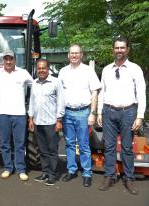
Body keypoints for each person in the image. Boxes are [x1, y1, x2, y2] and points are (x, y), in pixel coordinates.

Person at [97, 37, 146, 195]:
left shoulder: (135, 69)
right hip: (109, 111)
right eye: (117, 48)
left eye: (122, 48)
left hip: (128, 112)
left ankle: (129, 178)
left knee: (127, 148)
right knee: (109, 147)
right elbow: (102, 92)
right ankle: (109, 176)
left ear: (127, 50)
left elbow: (141, 94)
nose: (119, 50)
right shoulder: (106, 69)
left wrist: (139, 116)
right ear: (113, 50)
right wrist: (99, 112)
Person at [0, 50, 33, 181]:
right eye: (6, 59)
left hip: (19, 114)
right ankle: (7, 168)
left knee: (20, 144)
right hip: (2, 114)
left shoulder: (23, 73)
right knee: (5, 143)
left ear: (15, 60)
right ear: (3, 61)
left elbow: (34, 85)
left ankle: (21, 169)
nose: (8, 61)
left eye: (10, 59)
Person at [58, 44, 101, 187]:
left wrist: (93, 114)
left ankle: (87, 173)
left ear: (81, 55)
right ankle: (71, 170)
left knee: (83, 145)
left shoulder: (88, 71)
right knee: (69, 143)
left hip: (83, 113)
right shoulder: (63, 71)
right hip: (67, 113)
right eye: (72, 53)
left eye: (77, 53)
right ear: (68, 55)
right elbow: (60, 93)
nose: (74, 55)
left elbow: (95, 92)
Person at [28, 59, 65, 186]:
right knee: (42, 150)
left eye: (43, 68)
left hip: (51, 122)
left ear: (48, 68)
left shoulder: (56, 82)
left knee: (52, 150)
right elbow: (32, 102)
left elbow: (61, 101)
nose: (41, 70)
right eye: (39, 68)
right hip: (38, 122)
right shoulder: (34, 83)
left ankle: (52, 175)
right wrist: (31, 119)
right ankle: (44, 172)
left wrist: (59, 120)